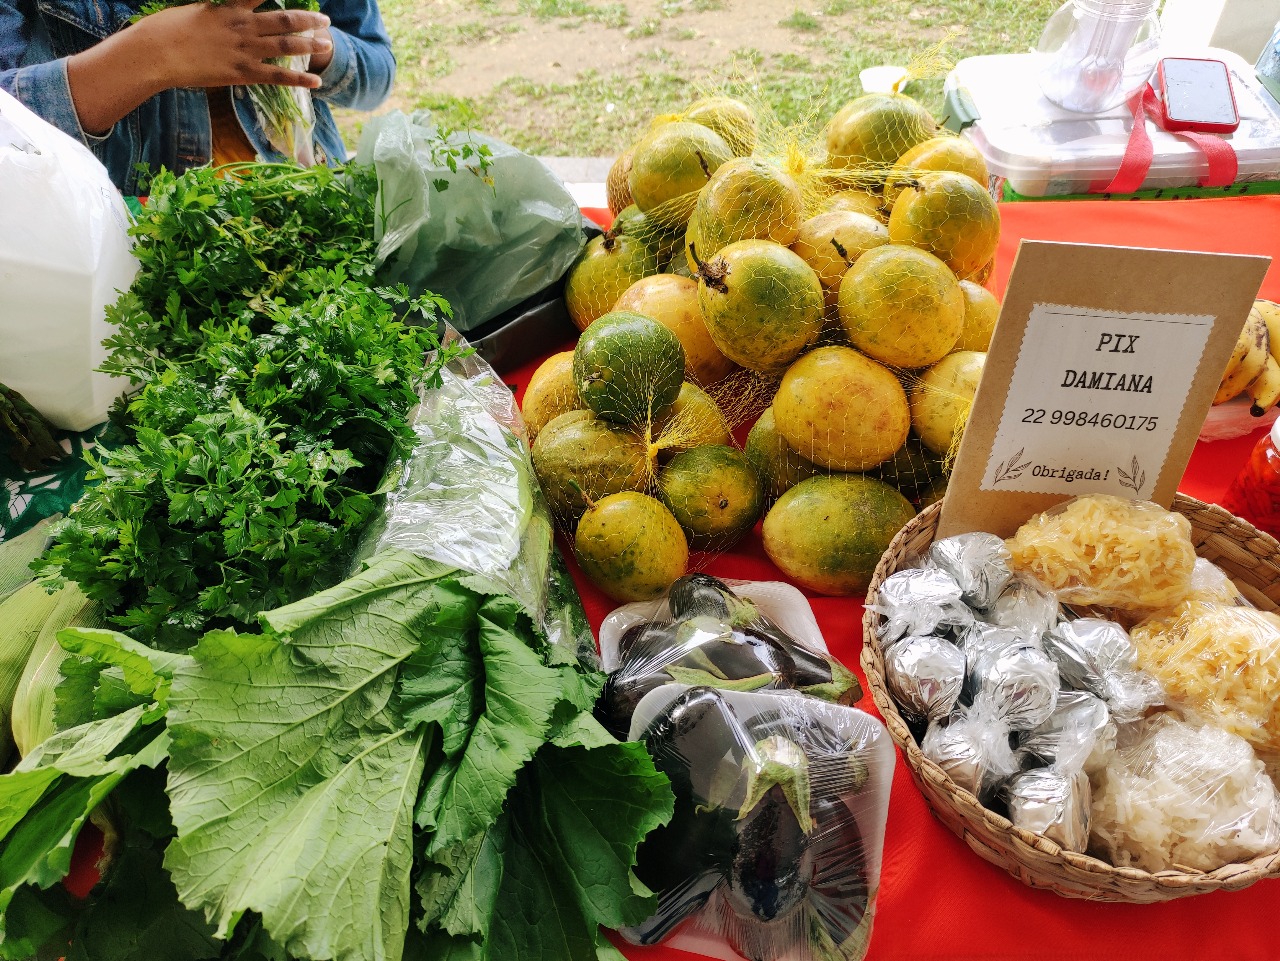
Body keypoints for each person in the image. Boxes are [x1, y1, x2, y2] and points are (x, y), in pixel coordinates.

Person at [0, 0, 394, 194]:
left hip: (313, 210)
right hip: (142, 257)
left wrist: (311, 42)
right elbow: (10, 141)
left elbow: (379, 73)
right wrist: (152, 55)